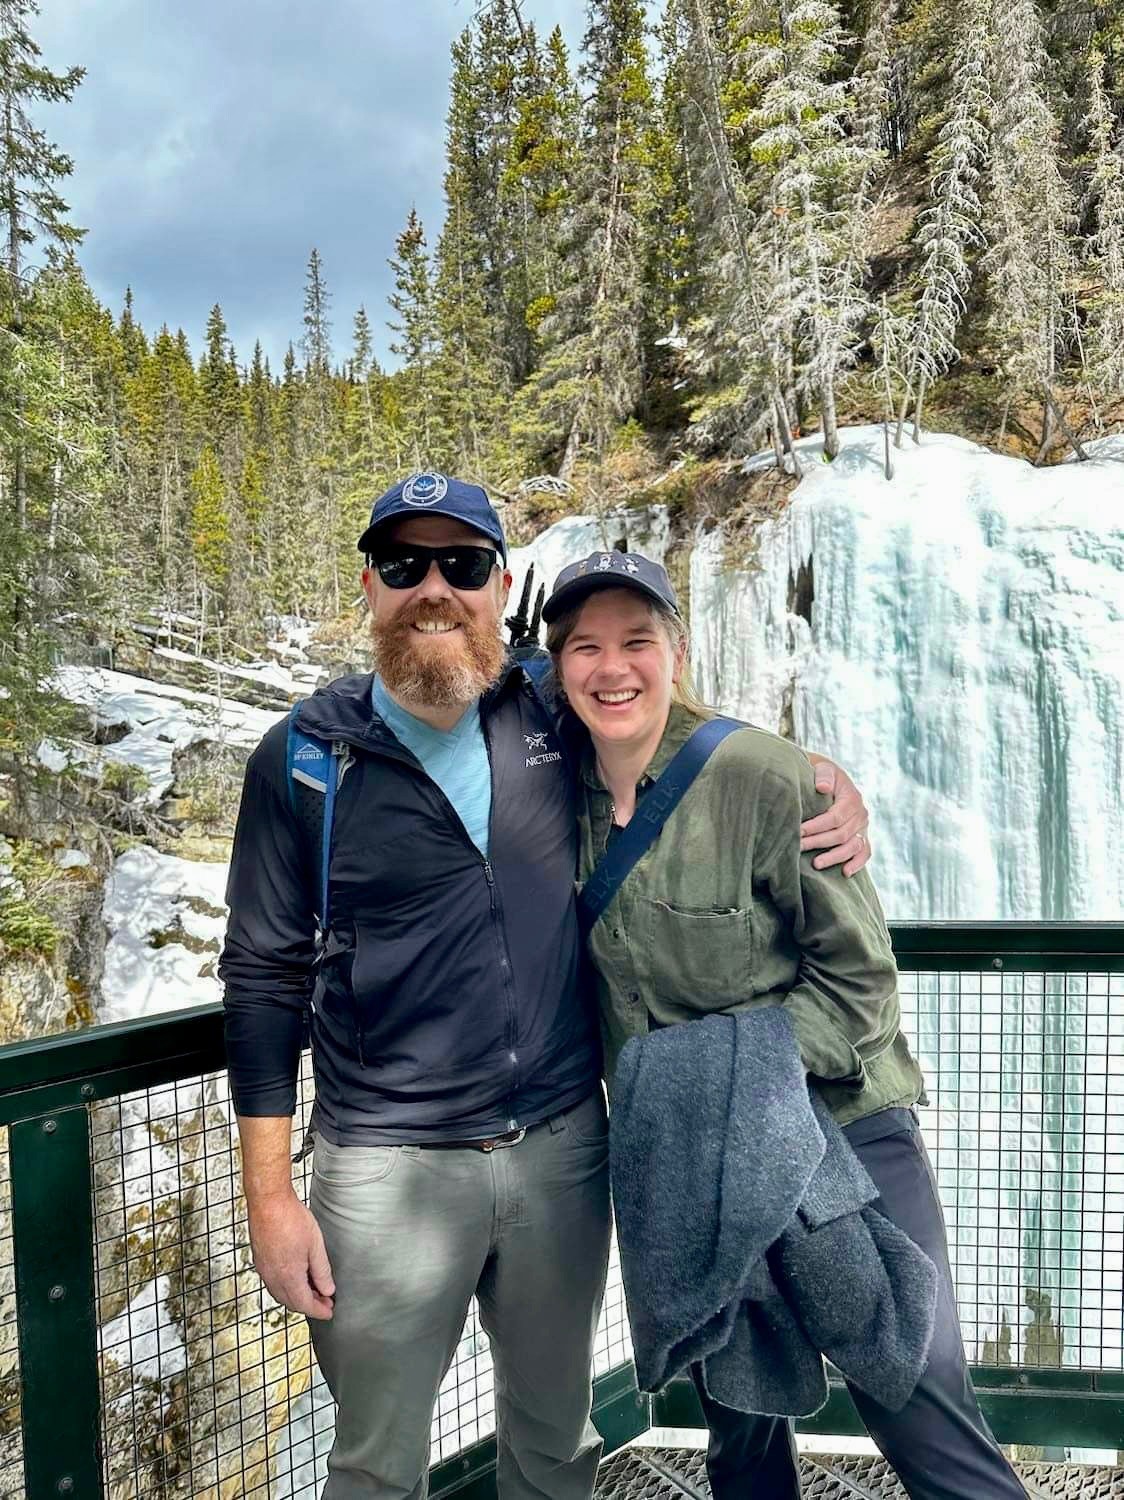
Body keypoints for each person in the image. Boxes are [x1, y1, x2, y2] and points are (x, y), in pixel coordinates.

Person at [219, 474, 872, 1500]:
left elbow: (665, 730)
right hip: (384, 1169)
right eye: (405, 566)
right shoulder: (304, 760)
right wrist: (266, 1197)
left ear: (499, 583)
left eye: (462, 565)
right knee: (373, 1464)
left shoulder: (547, 711)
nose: (434, 588)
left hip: (564, 1154)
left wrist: (815, 777)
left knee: (554, 1445)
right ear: (369, 589)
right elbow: (260, 979)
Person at [543, 549, 1028, 1500]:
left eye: (638, 641)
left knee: (914, 1383)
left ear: (676, 653)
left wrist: (724, 1073)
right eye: (585, 647)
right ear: (557, 667)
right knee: (739, 1412)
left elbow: (861, 983)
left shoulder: (762, 776)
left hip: (843, 1124)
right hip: (698, 1159)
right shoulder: (556, 791)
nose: (614, 669)